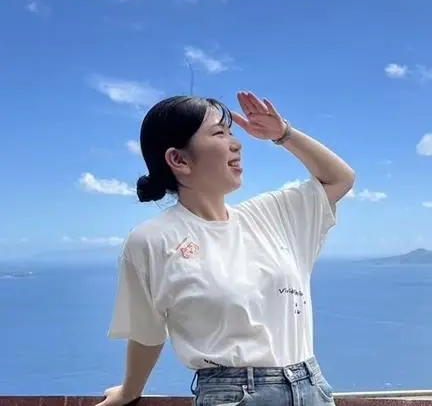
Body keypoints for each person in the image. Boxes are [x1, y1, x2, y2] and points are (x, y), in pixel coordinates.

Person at [97, 91, 355, 406]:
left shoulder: (272, 214)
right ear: (179, 160)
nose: (236, 144)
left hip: (310, 387)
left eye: (231, 132)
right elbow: (146, 332)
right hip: (231, 396)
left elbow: (340, 179)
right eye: (220, 133)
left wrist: (283, 134)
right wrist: (129, 392)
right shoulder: (151, 240)